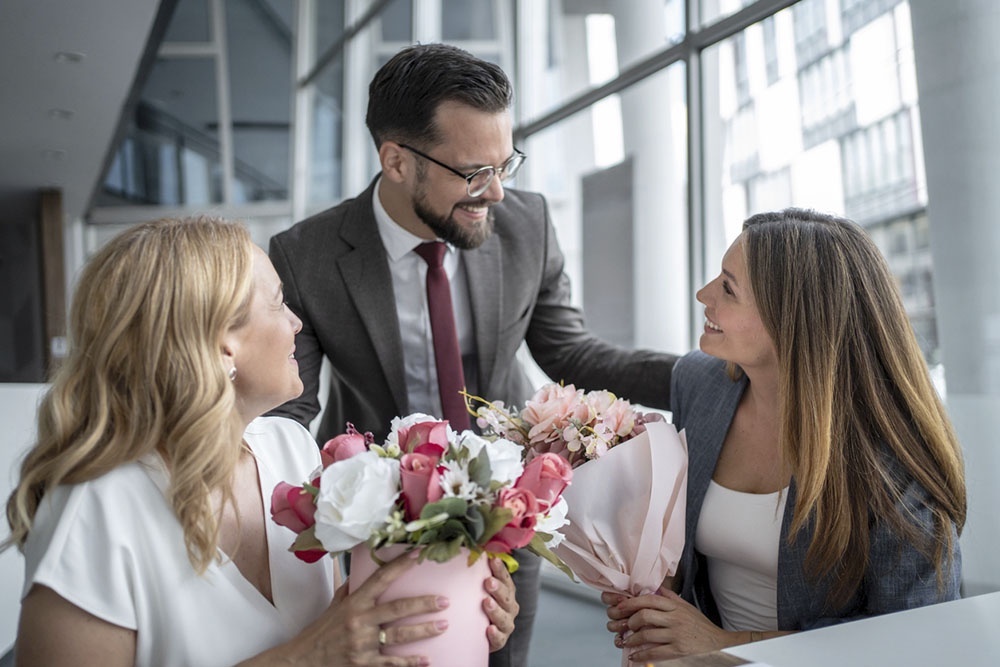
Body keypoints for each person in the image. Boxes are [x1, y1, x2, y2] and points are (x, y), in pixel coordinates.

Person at [268, 43, 677, 667]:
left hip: (507, 507)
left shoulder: (527, 225)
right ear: (396, 160)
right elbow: (289, 407)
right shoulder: (307, 255)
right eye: (473, 172)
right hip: (380, 524)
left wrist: (705, 375)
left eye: (504, 164)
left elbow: (570, 351)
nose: (498, 192)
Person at [3, 216, 517, 667]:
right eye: (278, 303)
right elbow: (320, 649)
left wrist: (458, 606)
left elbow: (344, 630)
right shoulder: (93, 510)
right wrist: (302, 659)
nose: (296, 322)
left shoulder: (290, 448)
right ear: (223, 346)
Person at [603, 208, 966, 664]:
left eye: (728, 289)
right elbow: (682, 541)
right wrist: (652, 596)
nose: (703, 294)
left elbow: (913, 640)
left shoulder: (893, 460)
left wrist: (723, 645)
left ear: (792, 321)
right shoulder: (700, 382)